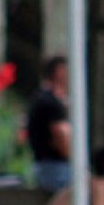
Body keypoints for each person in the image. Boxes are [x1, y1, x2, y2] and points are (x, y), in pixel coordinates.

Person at [27, 56, 72, 194]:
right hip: (55, 167)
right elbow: (60, 135)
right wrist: (76, 160)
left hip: (47, 166)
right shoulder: (49, 102)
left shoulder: (42, 99)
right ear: (59, 72)